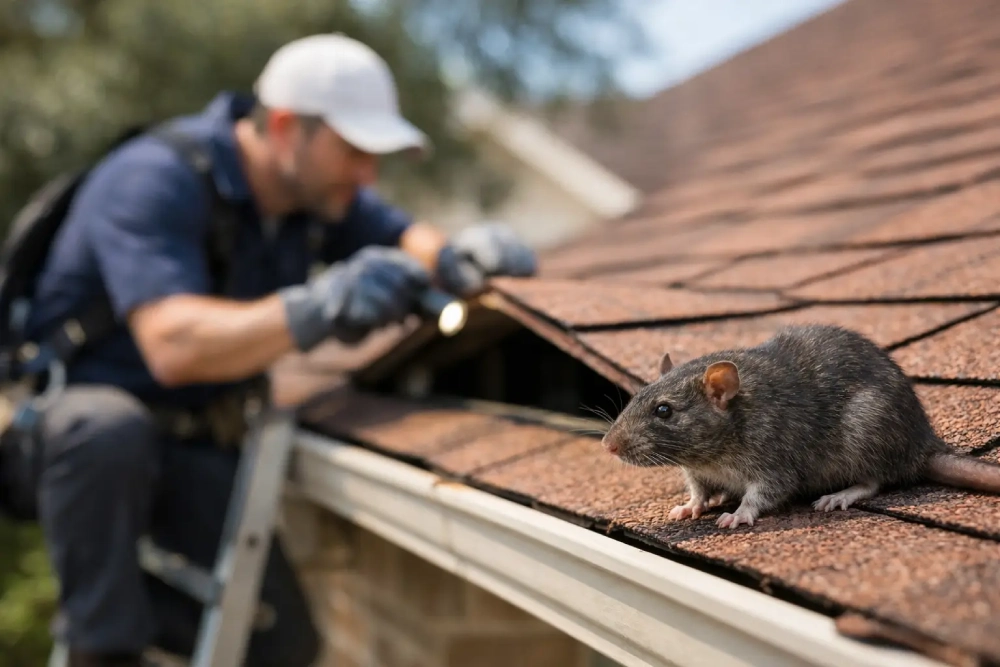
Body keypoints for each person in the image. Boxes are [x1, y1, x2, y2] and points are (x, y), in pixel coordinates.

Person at [5, 33, 537, 667]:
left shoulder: (312, 194)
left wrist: (458, 260)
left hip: (180, 446)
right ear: (287, 127)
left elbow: (403, 235)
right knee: (108, 442)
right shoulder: (154, 178)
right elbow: (174, 347)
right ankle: (102, 642)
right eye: (354, 151)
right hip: (67, 447)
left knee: (279, 643)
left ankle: (121, 610)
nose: (368, 174)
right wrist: (323, 305)